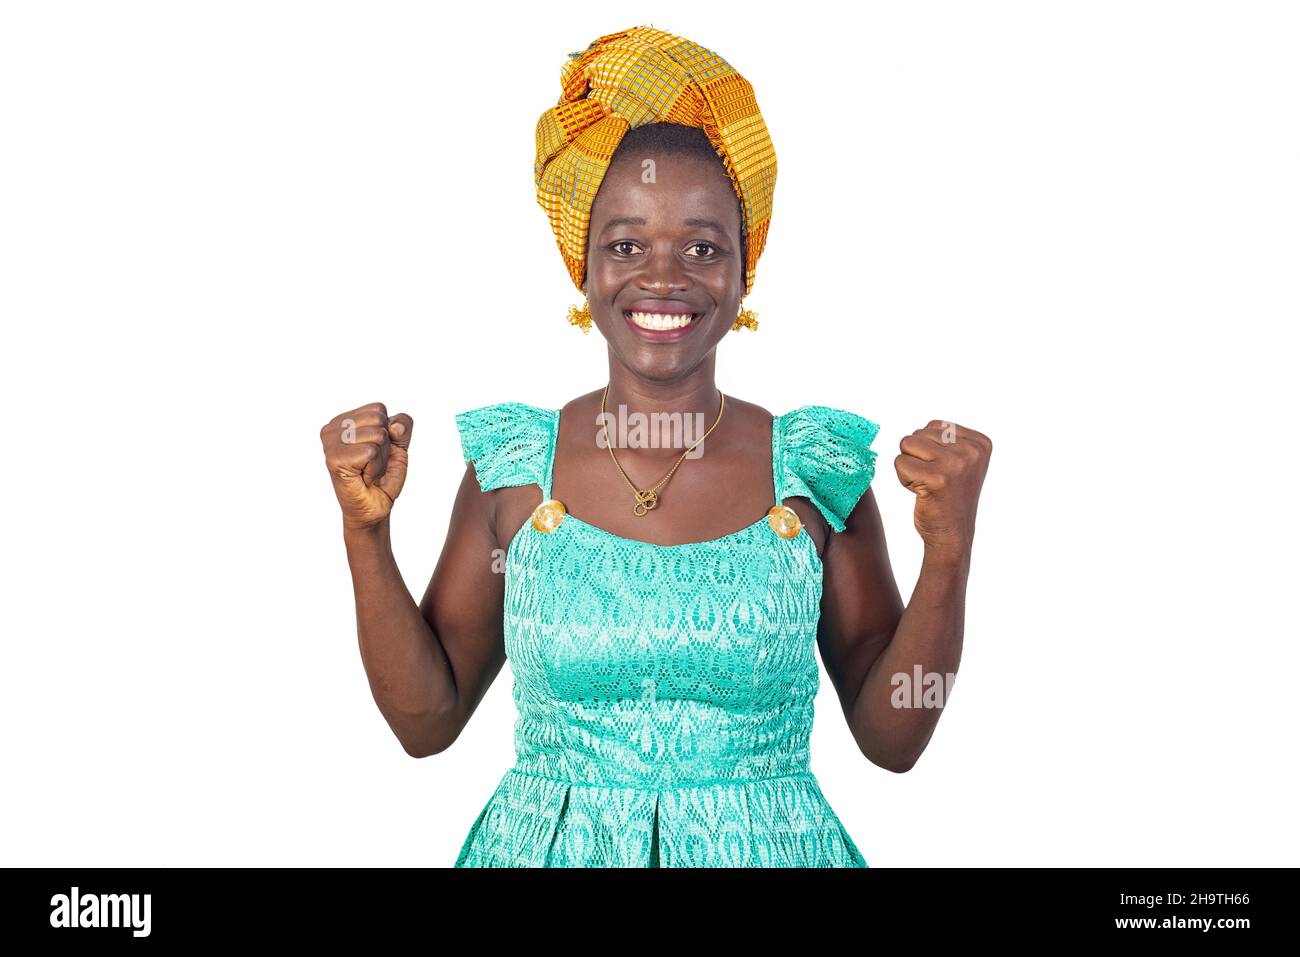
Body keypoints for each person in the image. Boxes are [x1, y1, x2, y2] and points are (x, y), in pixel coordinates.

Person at [318, 25, 991, 867]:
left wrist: (951, 552)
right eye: (627, 245)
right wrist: (365, 535)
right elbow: (428, 722)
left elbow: (894, 737)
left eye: (703, 247)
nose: (664, 278)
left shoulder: (812, 475)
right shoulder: (517, 473)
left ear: (745, 268)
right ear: (585, 268)